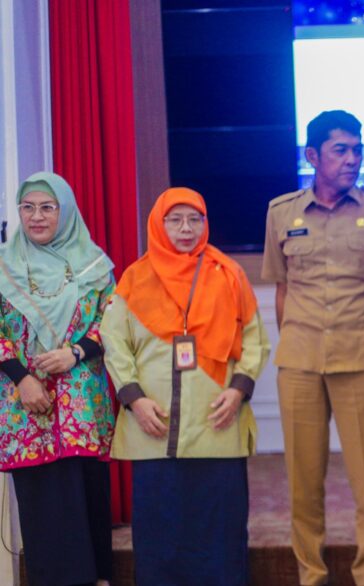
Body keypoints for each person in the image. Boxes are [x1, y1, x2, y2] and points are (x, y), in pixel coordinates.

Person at [102, 187, 268, 584]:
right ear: (158, 225)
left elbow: (256, 339)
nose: (186, 228)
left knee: (220, 536)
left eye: (195, 219)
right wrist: (134, 399)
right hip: (153, 428)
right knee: (160, 538)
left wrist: (238, 389)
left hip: (217, 425)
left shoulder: (229, 274)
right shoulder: (135, 277)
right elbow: (114, 342)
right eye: (174, 220)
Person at [262, 110, 364, 586]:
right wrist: (296, 340)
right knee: (303, 481)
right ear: (313, 155)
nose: (353, 160)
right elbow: (281, 288)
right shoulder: (282, 211)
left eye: (358, 150)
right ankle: (310, 575)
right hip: (298, 362)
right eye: (342, 150)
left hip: (361, 360)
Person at [0, 172, 115, 586]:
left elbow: (113, 322)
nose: (36, 216)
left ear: (64, 212)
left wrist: (76, 352)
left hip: (82, 403)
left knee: (87, 497)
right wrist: (21, 378)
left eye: (47, 207)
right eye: (27, 207)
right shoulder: (3, 266)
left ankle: (99, 578)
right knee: (43, 502)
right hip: (26, 406)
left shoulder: (95, 265)